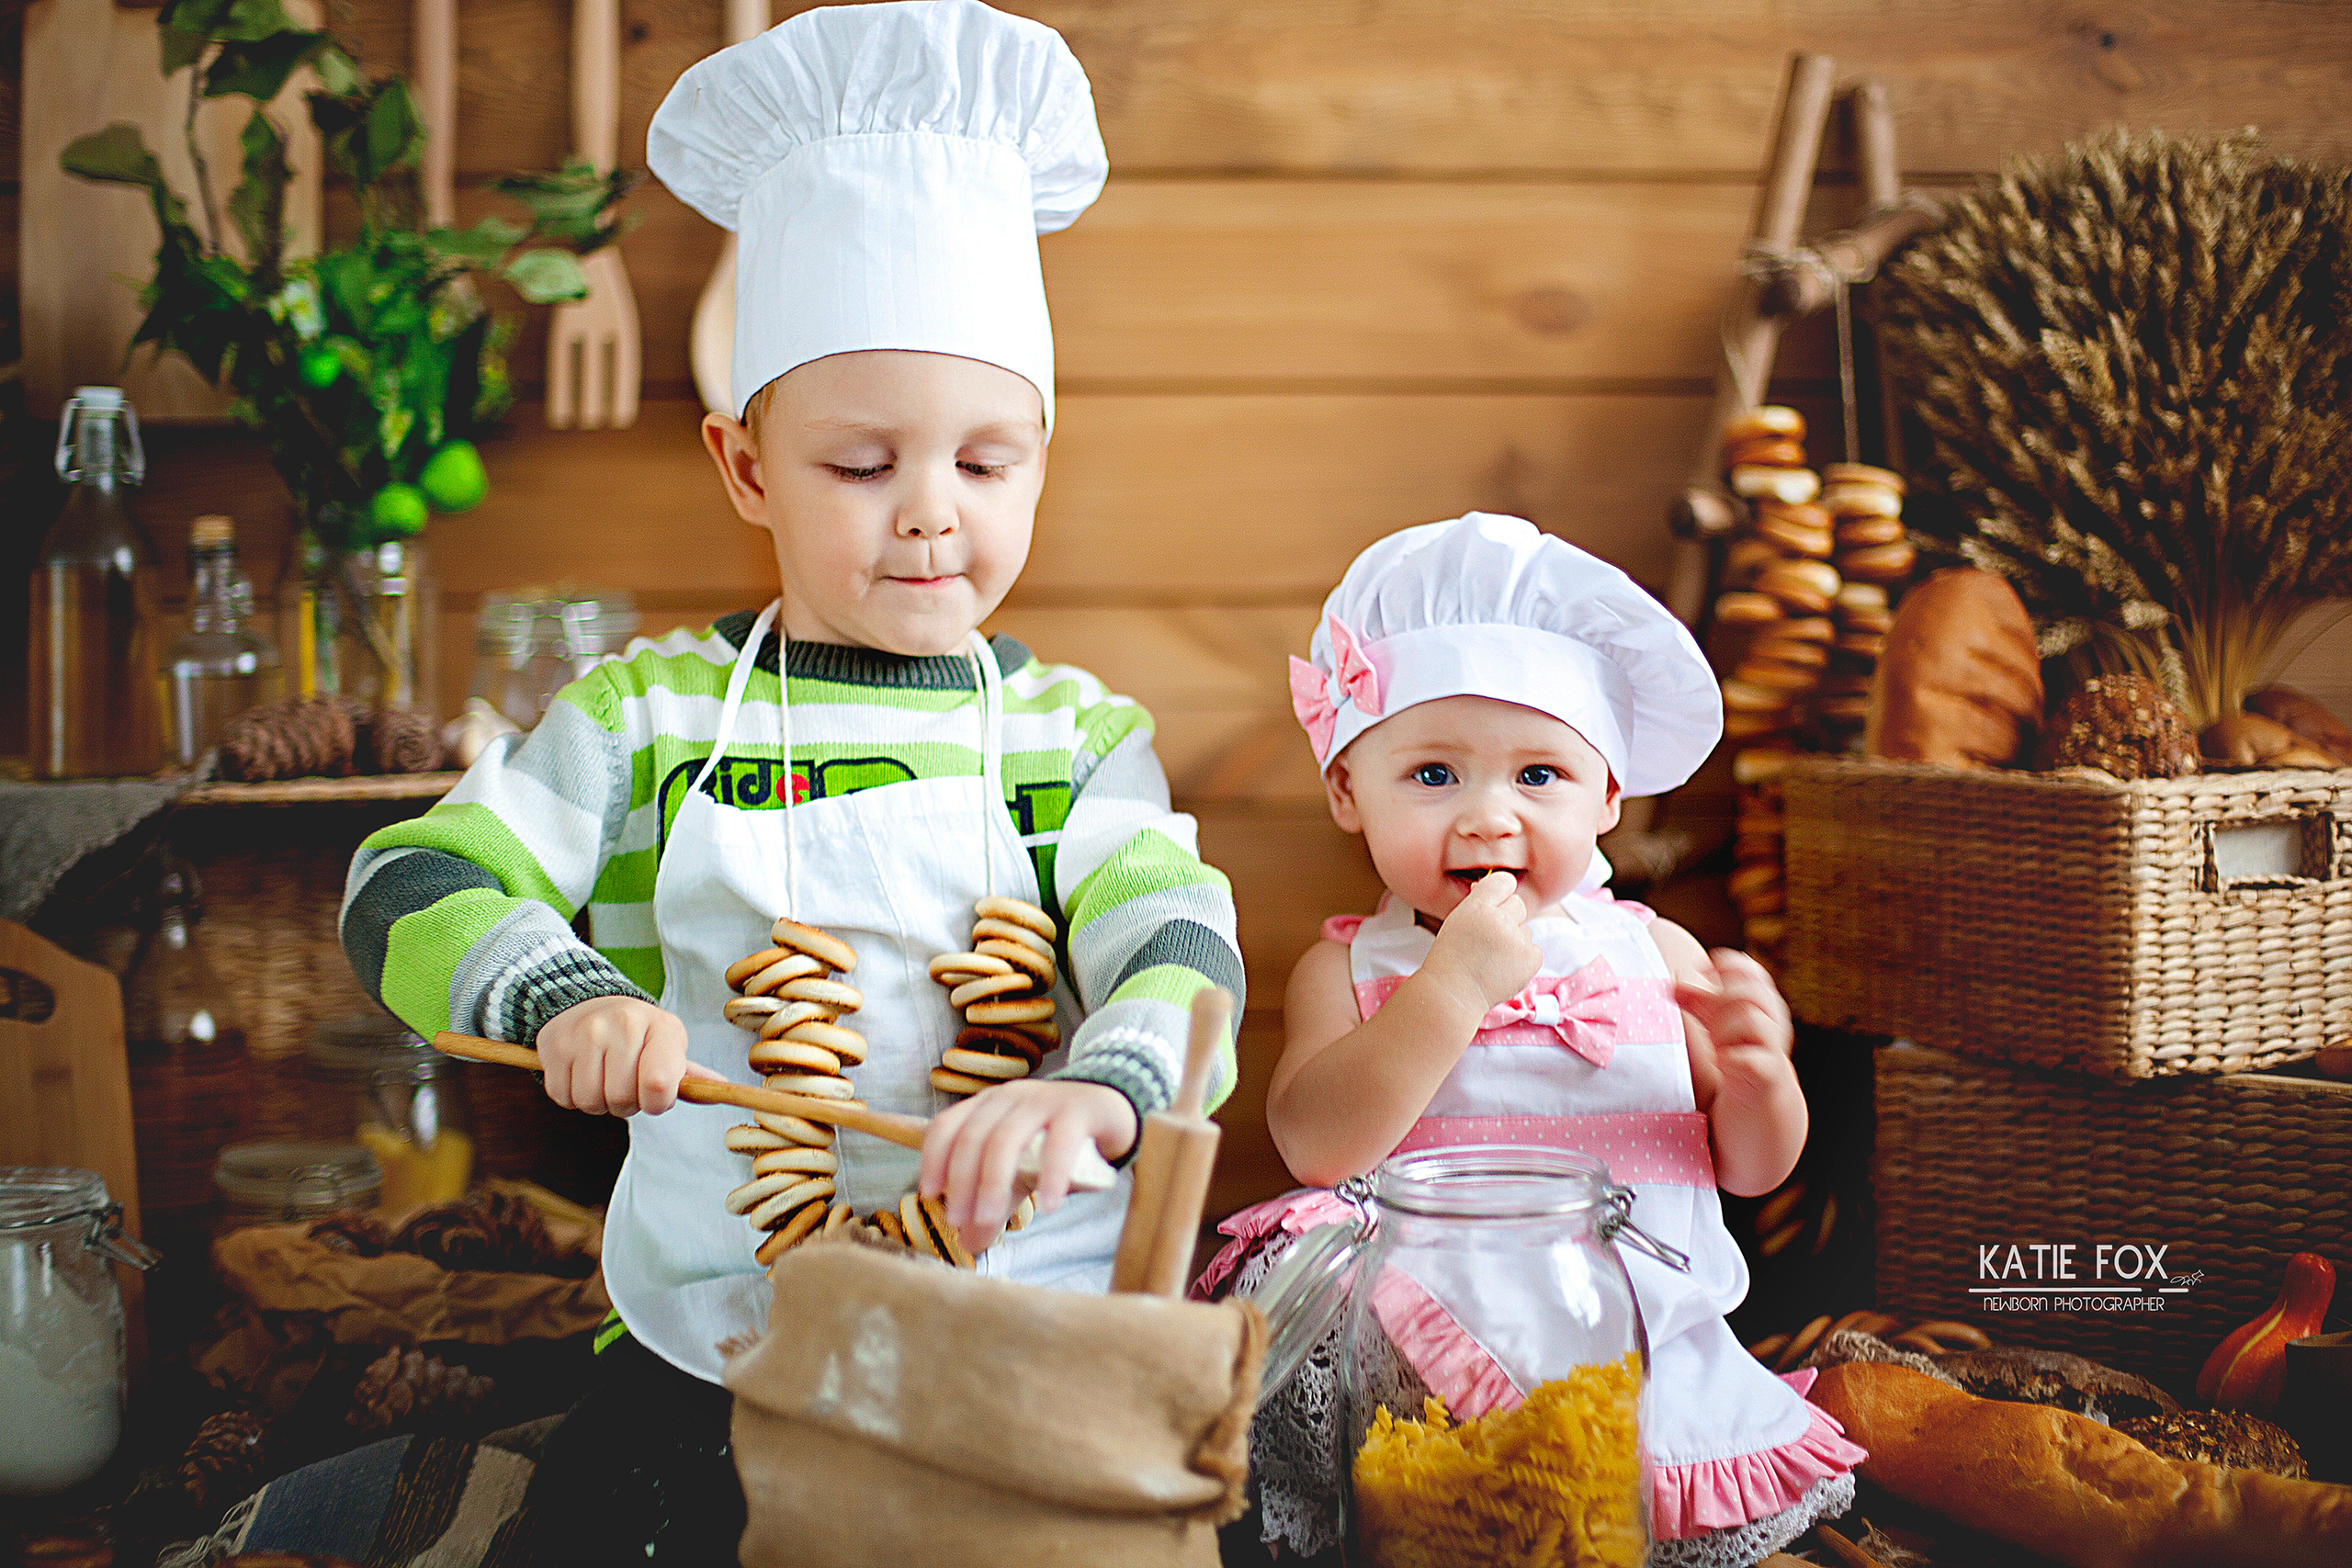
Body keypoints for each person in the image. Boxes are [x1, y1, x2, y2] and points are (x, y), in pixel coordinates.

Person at [338, 3, 1241, 1557]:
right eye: (861, 461)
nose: (930, 515)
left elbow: (1181, 946)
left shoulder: (1072, 740)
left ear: (1041, 451)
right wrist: (561, 994)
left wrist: (1102, 1087)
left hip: (1012, 1331)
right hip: (716, 1344)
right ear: (747, 466)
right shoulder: (649, 717)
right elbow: (405, 884)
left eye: (985, 458)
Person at [1193, 513, 1861, 1568]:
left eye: (1537, 776)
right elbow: (1317, 1148)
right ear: (1344, 791)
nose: (1487, 818)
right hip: (1414, 1344)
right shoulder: (1351, 969)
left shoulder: (1656, 954)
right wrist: (1446, 990)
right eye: (1432, 776)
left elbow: (1751, 1169)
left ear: (1608, 797)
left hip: (1625, 1341)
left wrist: (1758, 1082)